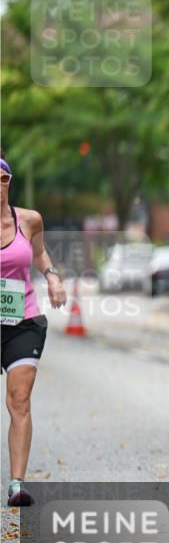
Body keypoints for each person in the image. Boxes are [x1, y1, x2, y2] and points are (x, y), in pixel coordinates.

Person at [1, 156, 67, 506]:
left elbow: (39, 254)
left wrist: (52, 276)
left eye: (2, 178)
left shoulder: (28, 220)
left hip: (22, 321)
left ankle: (16, 484)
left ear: (9, 182)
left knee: (19, 399)